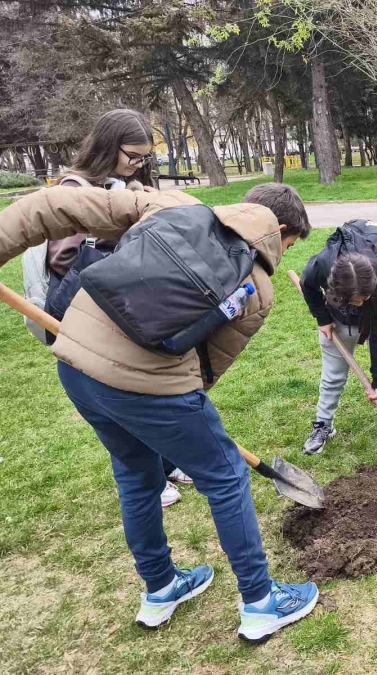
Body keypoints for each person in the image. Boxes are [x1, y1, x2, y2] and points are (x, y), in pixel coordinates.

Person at [0, 182, 319, 642]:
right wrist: (175, 425)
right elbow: (209, 366)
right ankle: (261, 602)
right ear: (280, 229)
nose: (282, 253)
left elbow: (56, 203)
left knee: (136, 474)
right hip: (150, 387)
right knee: (226, 475)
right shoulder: (257, 286)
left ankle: (161, 587)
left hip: (77, 365)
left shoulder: (171, 204)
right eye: (288, 244)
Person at [46, 109, 190, 507]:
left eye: (144, 157)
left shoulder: (122, 184)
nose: (137, 164)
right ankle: (147, 478)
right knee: (116, 394)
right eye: (133, 156)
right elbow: (62, 259)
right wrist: (116, 239)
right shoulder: (75, 189)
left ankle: (167, 463)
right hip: (85, 313)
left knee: (141, 385)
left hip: (121, 305)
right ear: (109, 147)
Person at [301, 243, 377, 458]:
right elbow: (307, 285)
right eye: (356, 300)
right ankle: (324, 425)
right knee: (332, 376)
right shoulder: (321, 265)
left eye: (364, 298)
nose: (360, 303)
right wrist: (322, 318)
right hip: (338, 320)